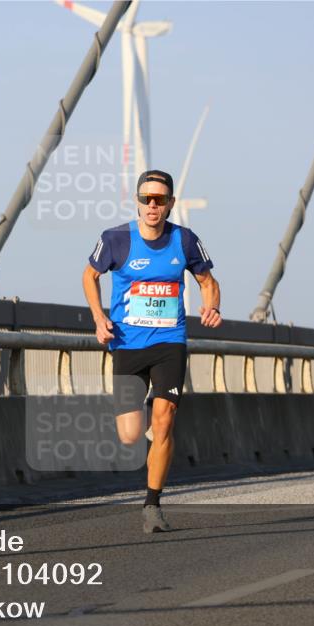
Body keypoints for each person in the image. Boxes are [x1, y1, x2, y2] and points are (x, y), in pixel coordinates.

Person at [82, 169, 222, 533]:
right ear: (138, 202)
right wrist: (99, 318)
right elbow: (89, 276)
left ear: (171, 203)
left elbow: (207, 281)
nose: (153, 205)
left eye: (160, 199)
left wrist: (212, 306)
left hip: (169, 342)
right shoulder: (115, 239)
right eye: (147, 199)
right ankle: (147, 405)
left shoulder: (185, 240)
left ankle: (152, 505)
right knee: (130, 435)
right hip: (127, 343)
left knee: (165, 421)